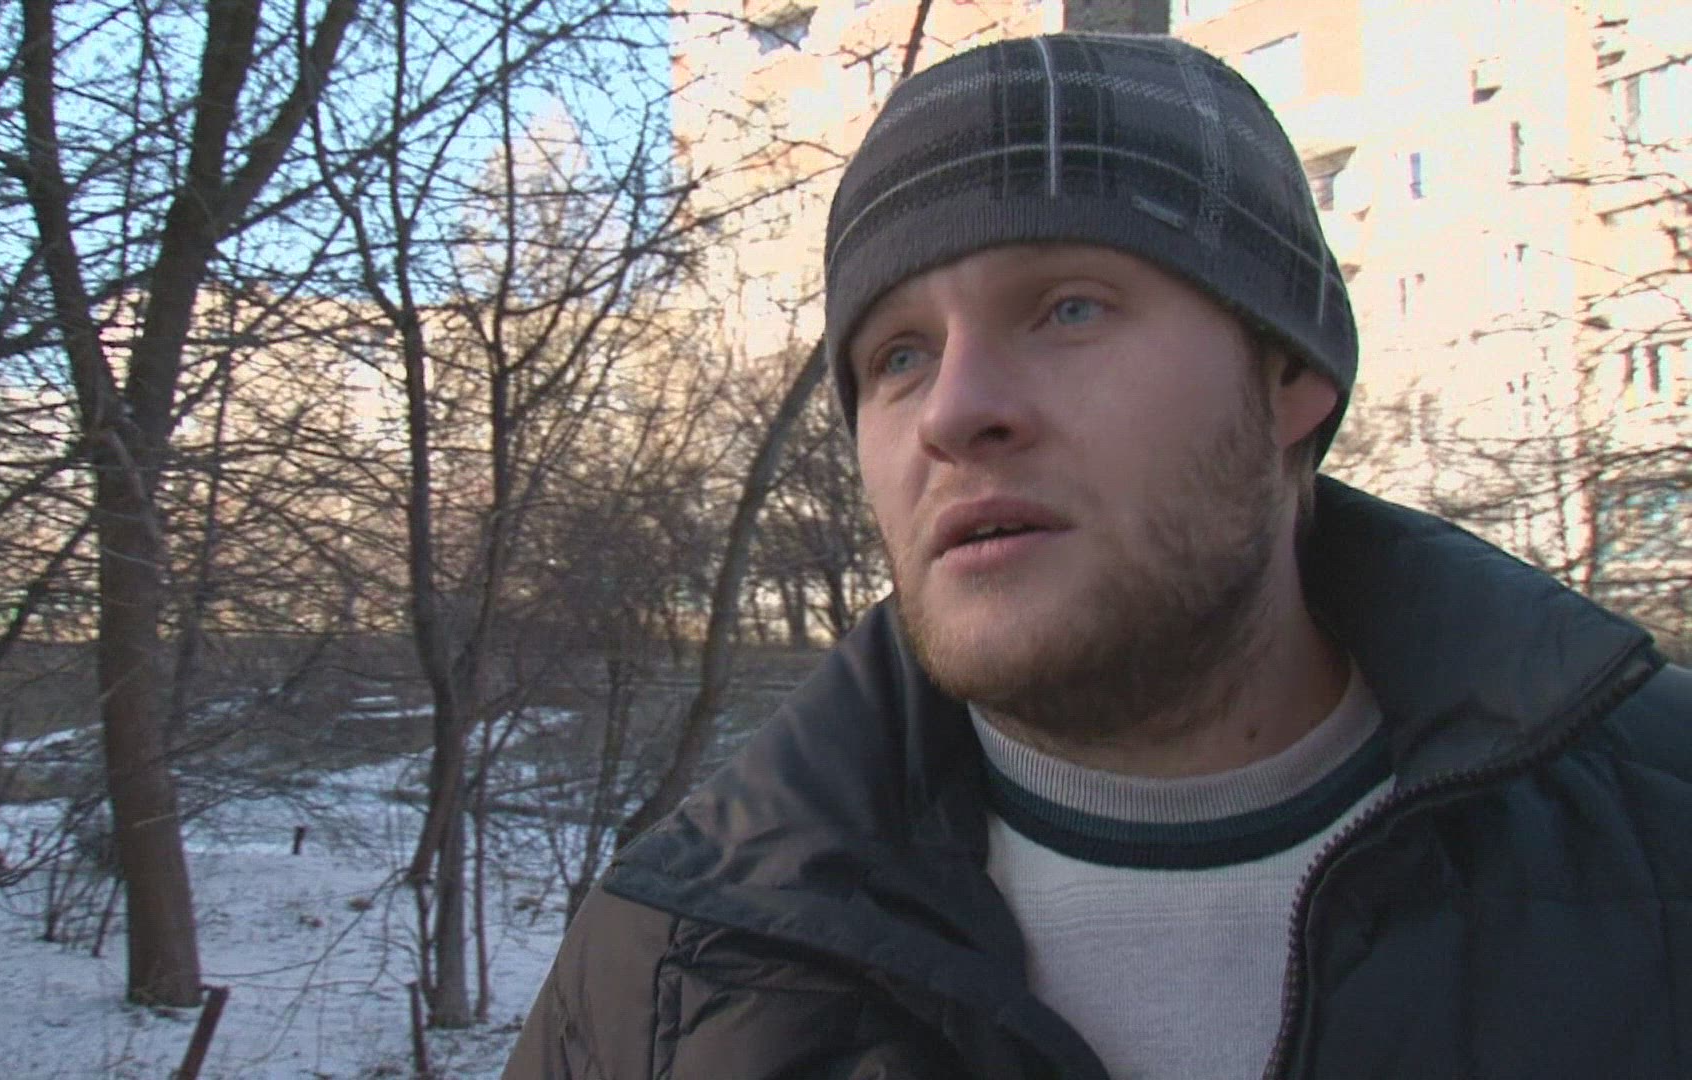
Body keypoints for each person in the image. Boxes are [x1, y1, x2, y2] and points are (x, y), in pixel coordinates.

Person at [504, 32, 1692, 1080]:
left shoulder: (1661, 835)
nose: (953, 412)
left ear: (1290, 374)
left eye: (1069, 308)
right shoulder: (675, 972)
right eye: (899, 356)